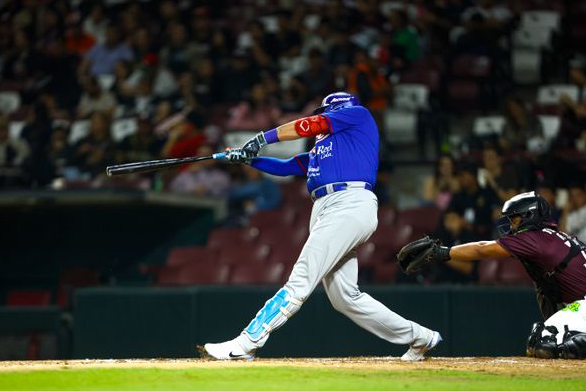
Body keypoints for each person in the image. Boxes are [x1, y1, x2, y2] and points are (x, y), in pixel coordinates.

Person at [203, 92, 441, 361]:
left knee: (300, 281)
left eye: (325, 113)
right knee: (345, 297)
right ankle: (420, 337)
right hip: (330, 208)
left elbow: (310, 124)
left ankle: (245, 343)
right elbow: (290, 166)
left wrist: (260, 140)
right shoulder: (327, 146)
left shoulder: (357, 116)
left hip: (348, 203)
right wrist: (248, 159)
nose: (322, 119)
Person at [396, 192, 586, 359]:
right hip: (581, 304)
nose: (512, 225)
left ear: (530, 215)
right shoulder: (552, 236)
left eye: (516, 219)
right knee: (543, 308)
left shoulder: (533, 238)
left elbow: (482, 250)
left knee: (545, 339)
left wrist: (441, 252)